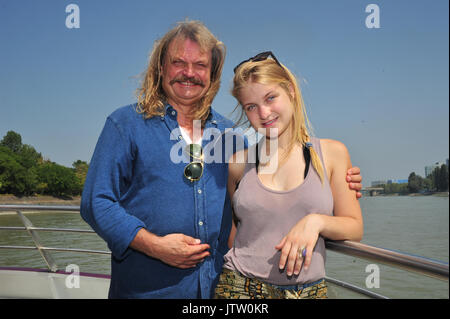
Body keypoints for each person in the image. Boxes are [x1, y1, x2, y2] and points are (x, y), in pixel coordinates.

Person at [81, 21, 363, 299]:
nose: (189, 73)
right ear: (160, 68)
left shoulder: (232, 138)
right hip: (146, 290)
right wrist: (154, 245)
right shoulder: (125, 124)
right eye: (179, 62)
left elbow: (252, 206)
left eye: (200, 65)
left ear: (212, 73)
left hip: (219, 287)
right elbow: (96, 202)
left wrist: (334, 187)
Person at [214, 52, 364, 299]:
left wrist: (316, 222)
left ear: (291, 91)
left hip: (308, 292)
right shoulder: (239, 163)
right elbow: (235, 231)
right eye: (251, 107)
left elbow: (355, 227)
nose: (264, 113)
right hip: (240, 288)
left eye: (271, 98)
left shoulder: (332, 153)